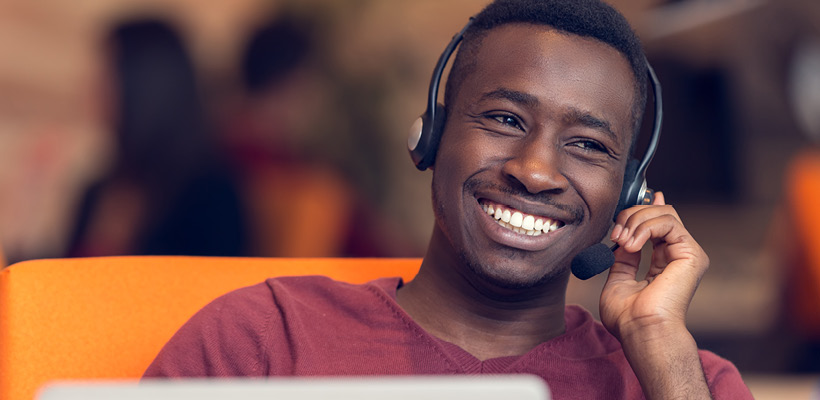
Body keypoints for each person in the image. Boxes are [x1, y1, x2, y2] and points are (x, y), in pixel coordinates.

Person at [144, 1, 753, 398]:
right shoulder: (262, 339)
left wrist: (660, 348)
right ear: (432, 135)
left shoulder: (684, 378)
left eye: (588, 144)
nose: (536, 171)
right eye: (505, 119)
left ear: (628, 189)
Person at [65, 18, 248, 258]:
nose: (92, 85)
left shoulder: (210, 195)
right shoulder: (99, 189)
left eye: (107, 73)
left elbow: (215, 289)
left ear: (145, 85)